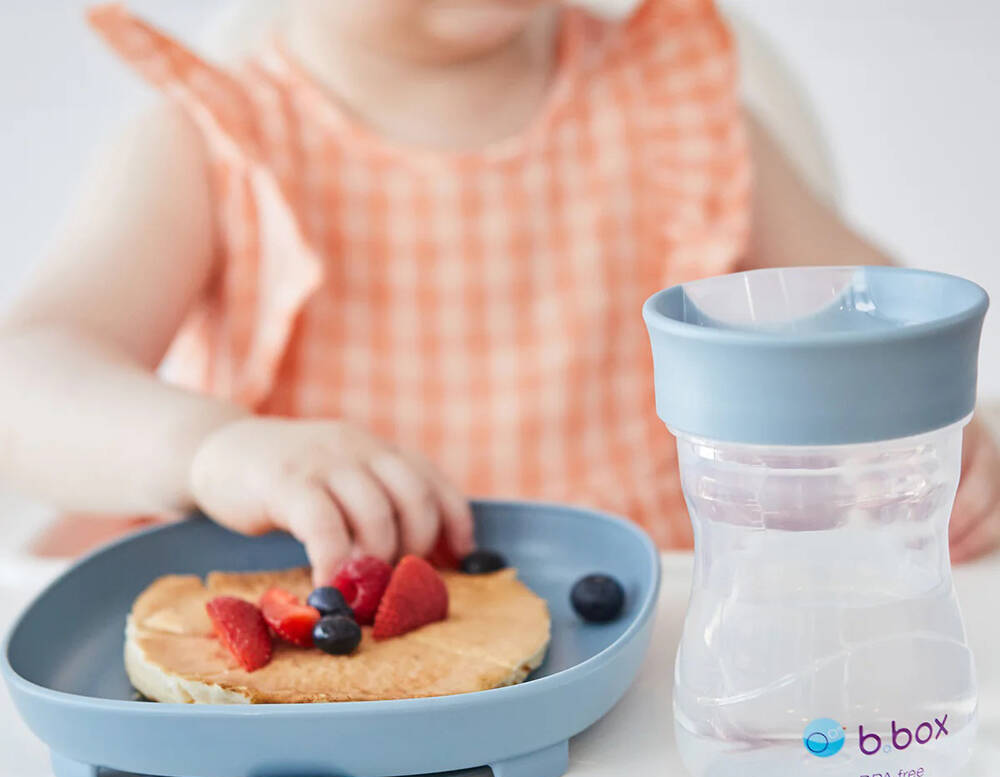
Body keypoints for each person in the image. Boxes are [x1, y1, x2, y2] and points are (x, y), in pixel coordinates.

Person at [2, 0, 997, 582]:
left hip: (653, 637)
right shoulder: (209, 141)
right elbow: (23, 378)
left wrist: (936, 446)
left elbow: (878, 325)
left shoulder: (680, 108)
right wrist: (210, 450)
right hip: (322, 659)